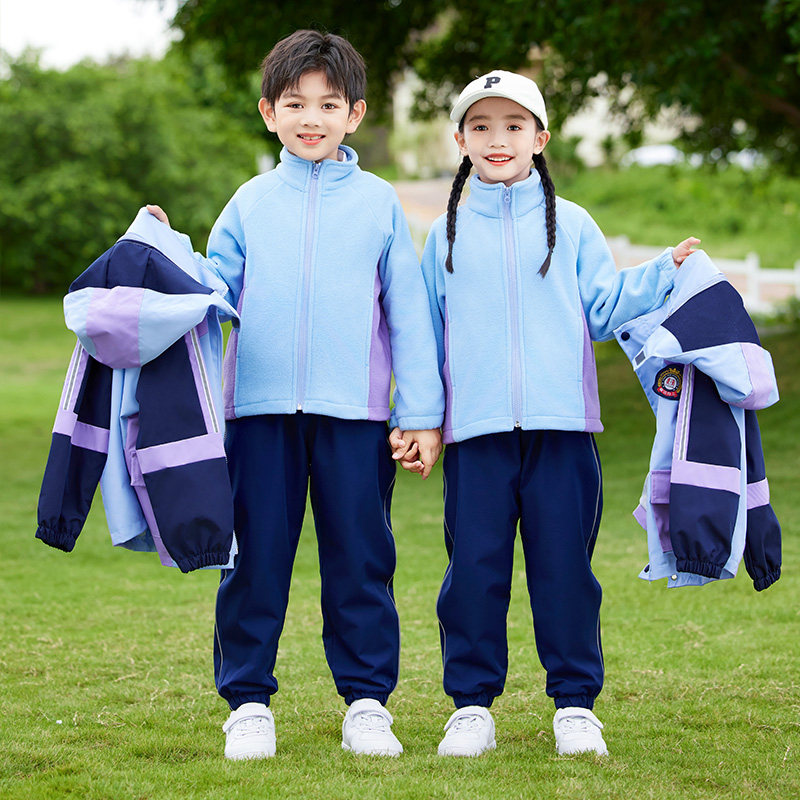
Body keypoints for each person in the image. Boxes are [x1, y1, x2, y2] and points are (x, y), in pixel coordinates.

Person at [149, 30, 443, 759]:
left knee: (361, 560)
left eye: (328, 104)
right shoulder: (249, 203)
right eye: (295, 103)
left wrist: (421, 415)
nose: (312, 117)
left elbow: (409, 314)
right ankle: (248, 702)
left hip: (356, 418)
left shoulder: (378, 204)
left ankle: (367, 702)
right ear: (268, 112)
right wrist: (165, 250)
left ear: (355, 114)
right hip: (259, 414)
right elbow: (210, 289)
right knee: (254, 560)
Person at [391, 70, 698, 757]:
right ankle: (471, 707)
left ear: (540, 137)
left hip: (562, 433)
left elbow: (604, 308)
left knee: (565, 573)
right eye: (481, 127)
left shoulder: (575, 225)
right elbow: (424, 335)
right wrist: (420, 418)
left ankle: (575, 706)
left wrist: (664, 271)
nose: (497, 139)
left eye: (513, 125)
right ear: (461, 140)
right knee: (474, 573)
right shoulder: (443, 235)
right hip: (476, 437)